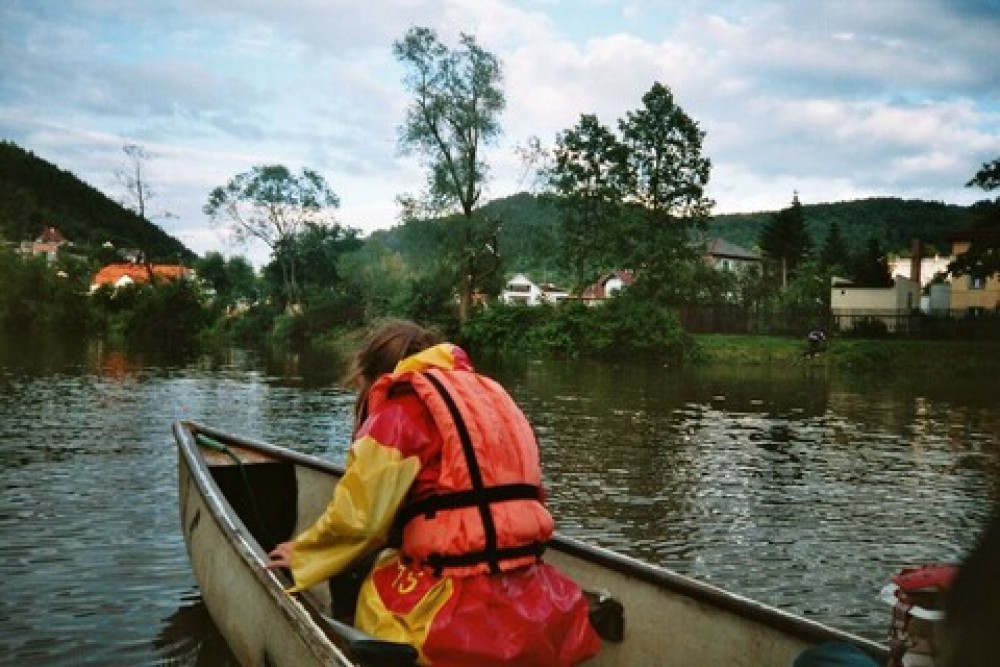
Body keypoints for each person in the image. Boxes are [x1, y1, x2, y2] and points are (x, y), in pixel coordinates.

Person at [266, 319, 601, 666]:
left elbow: (360, 521)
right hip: (534, 601)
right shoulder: (492, 400)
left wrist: (304, 554)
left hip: (449, 617)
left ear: (370, 376)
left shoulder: (399, 412)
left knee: (366, 566)